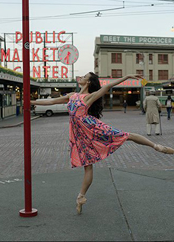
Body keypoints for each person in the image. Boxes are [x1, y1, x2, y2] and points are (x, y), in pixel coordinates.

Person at [31, 73, 174, 215]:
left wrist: (127, 76)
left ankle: (156, 146)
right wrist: (32, 102)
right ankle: (81, 196)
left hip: (92, 128)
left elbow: (108, 86)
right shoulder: (71, 96)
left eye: (84, 75)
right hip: (81, 136)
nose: (81, 76)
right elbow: (51, 102)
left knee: (126, 135)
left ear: (88, 82)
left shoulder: (88, 97)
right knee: (88, 167)